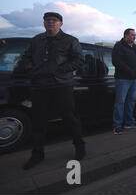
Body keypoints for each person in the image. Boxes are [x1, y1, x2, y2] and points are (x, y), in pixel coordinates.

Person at [16, 12, 85, 170]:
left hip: (62, 85)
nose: (50, 23)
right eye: (48, 20)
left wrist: (59, 70)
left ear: (61, 24)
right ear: (44, 23)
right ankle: (37, 155)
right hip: (40, 86)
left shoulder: (70, 40)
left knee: (70, 118)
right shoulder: (36, 40)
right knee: (38, 122)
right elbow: (26, 57)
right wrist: (31, 69)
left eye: (54, 20)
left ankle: (80, 146)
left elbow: (79, 60)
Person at [112, 28, 136, 135]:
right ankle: (117, 126)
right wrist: (130, 71)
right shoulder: (119, 46)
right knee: (120, 102)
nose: (134, 37)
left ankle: (129, 122)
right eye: (132, 35)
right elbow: (116, 62)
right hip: (123, 79)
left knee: (131, 101)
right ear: (126, 36)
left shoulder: (134, 47)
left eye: (135, 35)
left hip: (134, 79)